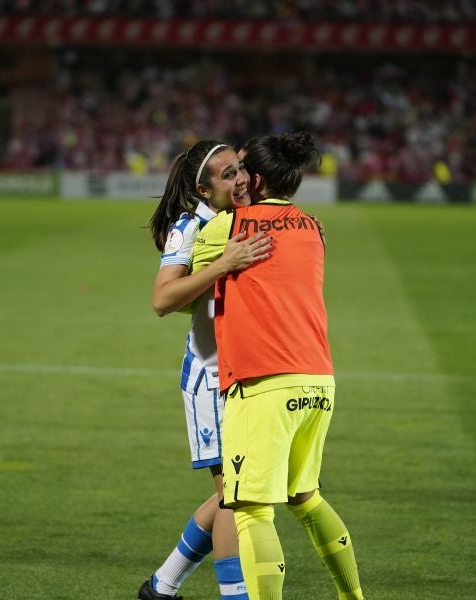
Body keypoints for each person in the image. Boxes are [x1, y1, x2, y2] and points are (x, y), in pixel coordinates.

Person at [191, 131, 366, 599]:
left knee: (251, 511)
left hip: (263, 382)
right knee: (306, 498)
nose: (237, 178)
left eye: (242, 170)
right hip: (318, 379)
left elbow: (174, 292)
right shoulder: (313, 227)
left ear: (257, 180)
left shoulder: (228, 228)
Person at [140, 139, 272, 600]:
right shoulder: (190, 227)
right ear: (203, 189)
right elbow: (162, 299)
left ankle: (162, 586)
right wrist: (223, 264)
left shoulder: (246, 216)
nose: (241, 180)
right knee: (238, 497)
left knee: (237, 492)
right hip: (212, 378)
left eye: (240, 169)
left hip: (248, 376)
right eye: (228, 175)